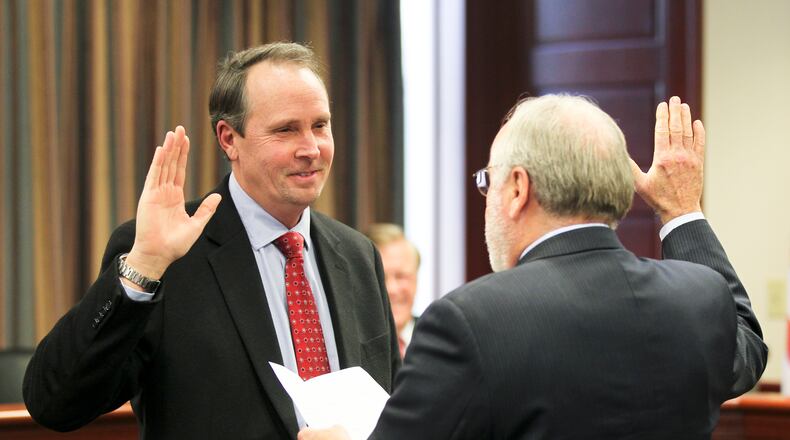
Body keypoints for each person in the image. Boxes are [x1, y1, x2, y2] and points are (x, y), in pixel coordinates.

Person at [298, 95, 768, 440]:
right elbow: (747, 345)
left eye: (489, 181)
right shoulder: (699, 299)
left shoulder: (468, 323)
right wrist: (681, 210)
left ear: (518, 189)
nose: (487, 200)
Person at [23, 42, 400, 439]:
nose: (311, 148)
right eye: (286, 130)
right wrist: (144, 266)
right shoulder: (166, 255)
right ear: (229, 139)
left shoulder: (358, 255)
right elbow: (55, 403)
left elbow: (396, 413)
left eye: (320, 125)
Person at [365, 224, 420, 358]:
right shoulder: (347, 348)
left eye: (401, 276)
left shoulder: (442, 341)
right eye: (380, 277)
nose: (391, 289)